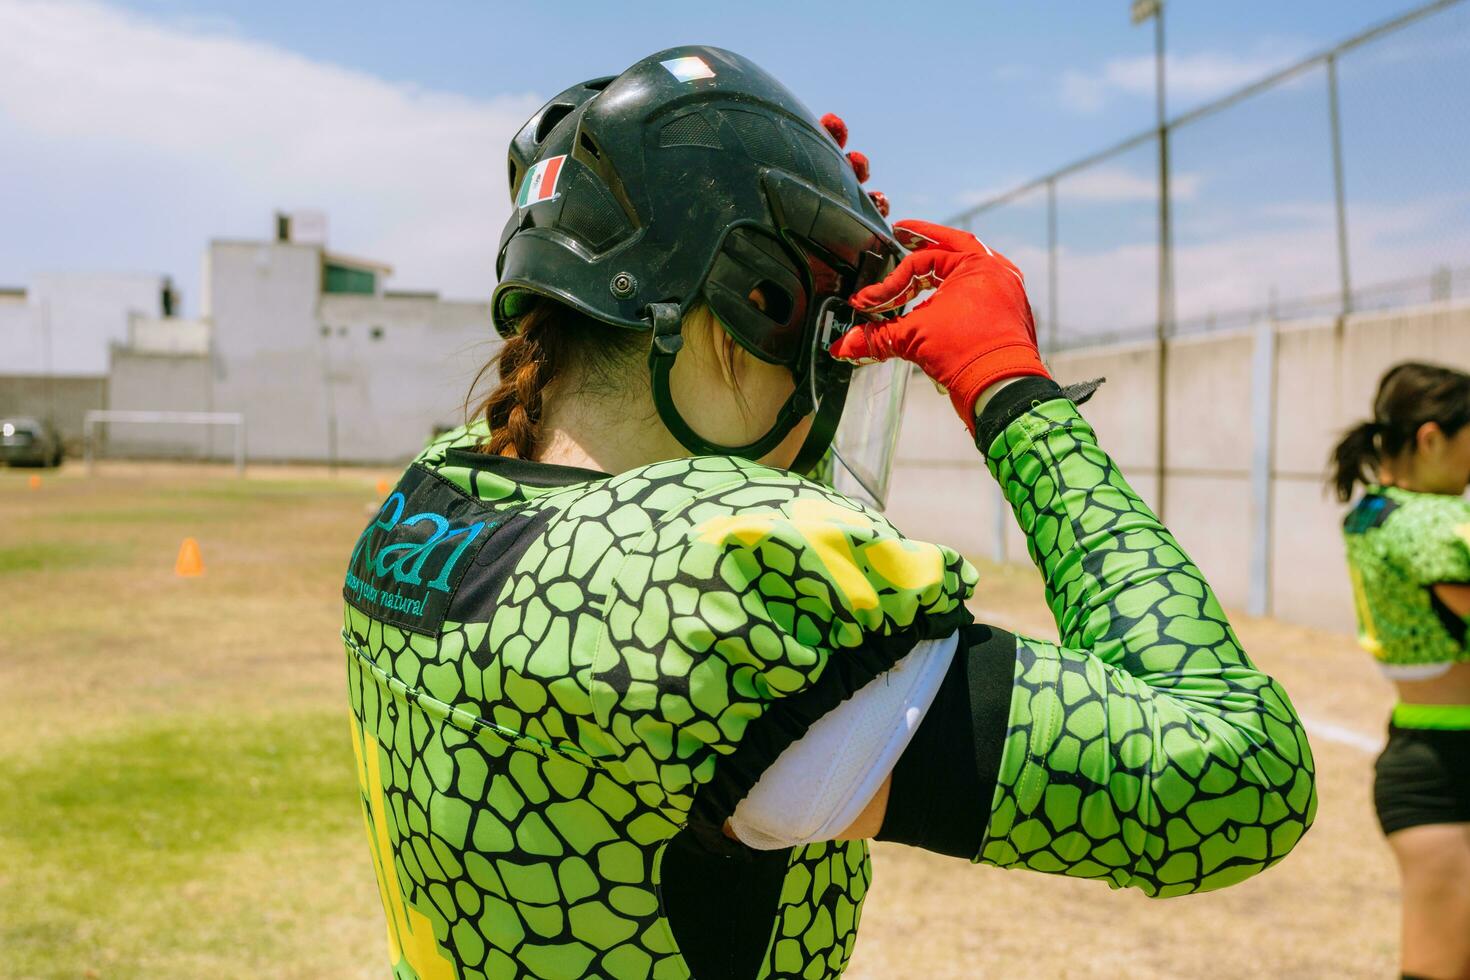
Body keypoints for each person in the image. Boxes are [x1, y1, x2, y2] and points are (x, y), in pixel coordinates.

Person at [343, 45, 1317, 980]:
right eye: (825, 336)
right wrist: (1013, 394)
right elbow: (1236, 774)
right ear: (748, 313)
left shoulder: (436, 490)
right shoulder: (701, 585)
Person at [1333, 362, 1470, 980]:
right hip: (1449, 764)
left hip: (1423, 748)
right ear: (1432, 437)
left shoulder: (1373, 514)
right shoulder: (1434, 524)